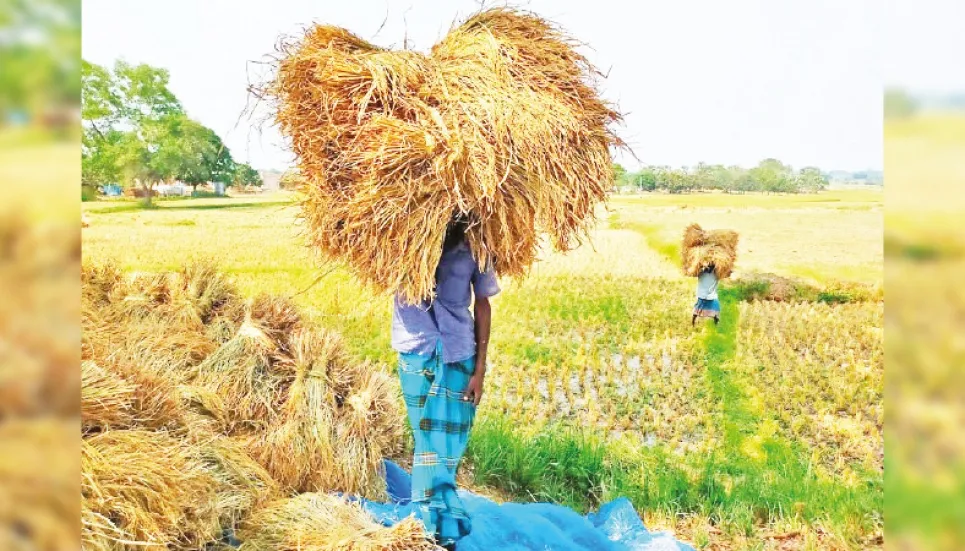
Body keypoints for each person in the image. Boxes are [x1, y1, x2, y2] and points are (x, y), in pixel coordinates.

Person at [391, 214, 499, 550]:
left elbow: (483, 306)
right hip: (415, 352)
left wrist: (479, 370)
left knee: (447, 450)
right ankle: (429, 532)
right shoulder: (396, 233)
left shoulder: (477, 243)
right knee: (426, 443)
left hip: (457, 353)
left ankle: (435, 529)